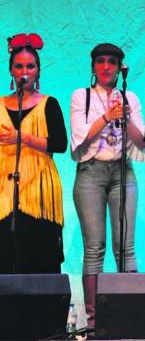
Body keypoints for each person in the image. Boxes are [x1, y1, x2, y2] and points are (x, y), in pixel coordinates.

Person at [70, 43, 145, 327]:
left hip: (122, 172)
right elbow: (79, 138)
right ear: (93, 67)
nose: (106, 67)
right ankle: (94, 319)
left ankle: (127, 314)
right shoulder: (82, 96)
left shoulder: (129, 97)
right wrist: (107, 116)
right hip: (90, 173)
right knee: (94, 248)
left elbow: (142, 141)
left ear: (120, 68)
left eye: (112, 62)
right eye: (101, 62)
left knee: (125, 247)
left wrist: (125, 115)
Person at [0, 33, 67, 274]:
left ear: (38, 71)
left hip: (38, 189)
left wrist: (23, 138)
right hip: (3, 192)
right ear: (11, 71)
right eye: (19, 66)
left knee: (38, 258)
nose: (24, 71)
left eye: (30, 66)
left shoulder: (49, 103)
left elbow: (60, 144)